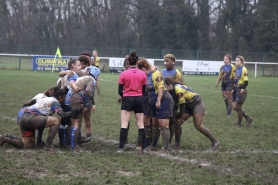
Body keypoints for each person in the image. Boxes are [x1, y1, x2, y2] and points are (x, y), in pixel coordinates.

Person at [0, 89, 82, 150]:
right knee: (56, 120)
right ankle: (48, 145)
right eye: (65, 98)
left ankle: (6, 138)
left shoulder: (44, 98)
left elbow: (28, 103)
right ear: (60, 97)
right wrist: (76, 110)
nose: (66, 100)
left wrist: (26, 109)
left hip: (24, 118)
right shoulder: (55, 102)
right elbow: (63, 115)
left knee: (27, 146)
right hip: (31, 118)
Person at [164, 76, 220, 150]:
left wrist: (179, 114)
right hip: (187, 106)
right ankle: (177, 145)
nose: (164, 88)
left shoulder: (178, 89)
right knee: (177, 123)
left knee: (198, 126)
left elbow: (182, 105)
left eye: (165, 86)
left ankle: (215, 141)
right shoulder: (172, 90)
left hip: (197, 103)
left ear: (170, 85)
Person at [137, 58, 174, 152]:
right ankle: (153, 145)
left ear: (143, 68)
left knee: (163, 124)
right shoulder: (147, 75)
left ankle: (165, 148)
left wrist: (158, 100)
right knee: (154, 124)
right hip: (152, 100)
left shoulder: (156, 74)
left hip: (163, 99)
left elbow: (161, 88)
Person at [116, 51, 147, 153]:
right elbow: (143, 90)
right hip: (139, 99)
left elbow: (120, 90)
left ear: (128, 62)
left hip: (128, 99)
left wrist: (124, 96)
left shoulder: (123, 74)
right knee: (140, 124)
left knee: (124, 123)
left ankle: (121, 147)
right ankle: (144, 147)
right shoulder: (143, 74)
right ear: (137, 62)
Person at [65, 58, 96, 152]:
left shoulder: (73, 74)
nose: (81, 67)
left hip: (67, 100)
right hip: (75, 101)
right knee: (76, 124)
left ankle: (68, 143)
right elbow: (73, 83)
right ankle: (73, 147)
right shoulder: (75, 75)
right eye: (78, 65)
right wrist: (92, 104)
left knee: (70, 123)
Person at [161, 54, 184, 149]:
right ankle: (167, 140)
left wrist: (173, 84)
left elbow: (182, 85)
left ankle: (173, 141)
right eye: (164, 61)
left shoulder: (176, 72)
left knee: (173, 121)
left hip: (173, 100)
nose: (165, 63)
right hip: (163, 98)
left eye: (167, 61)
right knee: (165, 120)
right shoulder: (162, 71)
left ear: (173, 62)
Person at [232, 56, 253, 127]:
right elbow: (235, 81)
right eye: (235, 60)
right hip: (236, 89)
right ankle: (248, 118)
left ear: (241, 61)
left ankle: (238, 124)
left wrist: (243, 88)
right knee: (234, 107)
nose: (236, 62)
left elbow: (246, 81)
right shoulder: (237, 69)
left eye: (237, 60)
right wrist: (233, 89)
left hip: (241, 89)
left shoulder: (244, 69)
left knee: (238, 107)